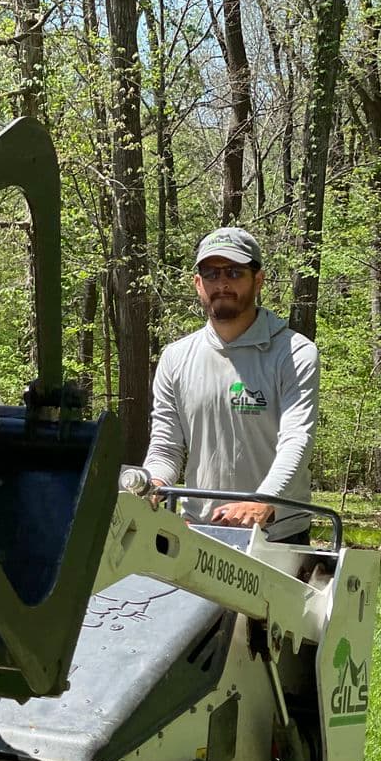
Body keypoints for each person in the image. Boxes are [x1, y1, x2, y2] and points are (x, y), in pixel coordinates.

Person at [143, 227, 319, 544]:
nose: (222, 283)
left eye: (235, 272)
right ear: (198, 284)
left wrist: (263, 500)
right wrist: (153, 483)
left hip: (277, 537)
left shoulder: (294, 353)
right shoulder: (175, 358)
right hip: (197, 533)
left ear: (259, 279)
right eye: (211, 273)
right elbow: (166, 447)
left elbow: (297, 440)